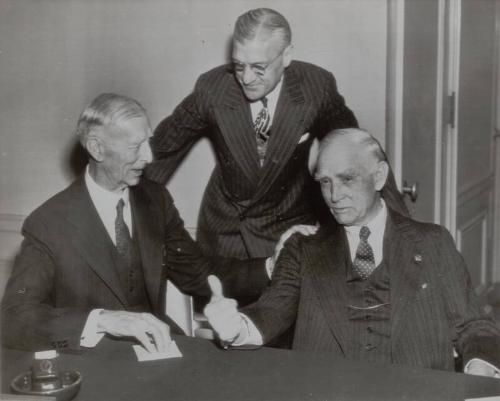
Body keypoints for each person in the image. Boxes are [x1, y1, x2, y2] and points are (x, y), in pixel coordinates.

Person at [204, 128, 500, 377]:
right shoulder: (303, 249)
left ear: (380, 176)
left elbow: (475, 326)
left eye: (347, 179)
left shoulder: (433, 241)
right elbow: (271, 312)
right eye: (325, 182)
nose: (334, 195)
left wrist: (479, 377)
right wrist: (237, 328)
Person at [0, 93, 280, 353]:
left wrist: (270, 266)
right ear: (97, 148)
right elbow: (14, 318)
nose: (149, 157)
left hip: (160, 351)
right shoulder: (49, 223)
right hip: (92, 364)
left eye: (148, 141)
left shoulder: (154, 200)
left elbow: (198, 270)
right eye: (136, 146)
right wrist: (103, 320)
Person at [146, 8, 407, 273]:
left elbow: (360, 153)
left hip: (288, 230)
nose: (246, 78)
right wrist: (126, 209)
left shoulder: (316, 88)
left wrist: (401, 232)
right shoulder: (212, 89)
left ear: (286, 56)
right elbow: (158, 154)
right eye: (239, 65)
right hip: (226, 236)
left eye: (259, 68)